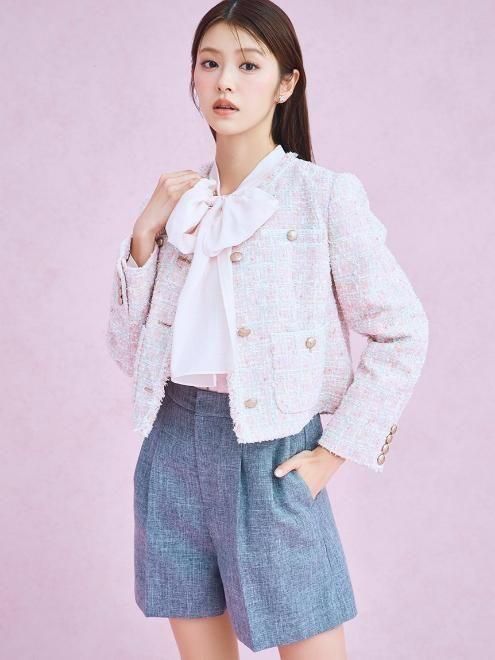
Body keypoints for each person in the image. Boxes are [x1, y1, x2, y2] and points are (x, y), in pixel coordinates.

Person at [106, 1, 429, 658]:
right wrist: (143, 237)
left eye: (248, 65)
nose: (225, 82)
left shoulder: (321, 196)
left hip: (272, 453)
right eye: (210, 63)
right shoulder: (181, 206)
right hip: (171, 446)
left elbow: (402, 331)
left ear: (286, 83)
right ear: (193, 77)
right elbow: (130, 353)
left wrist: (333, 453)